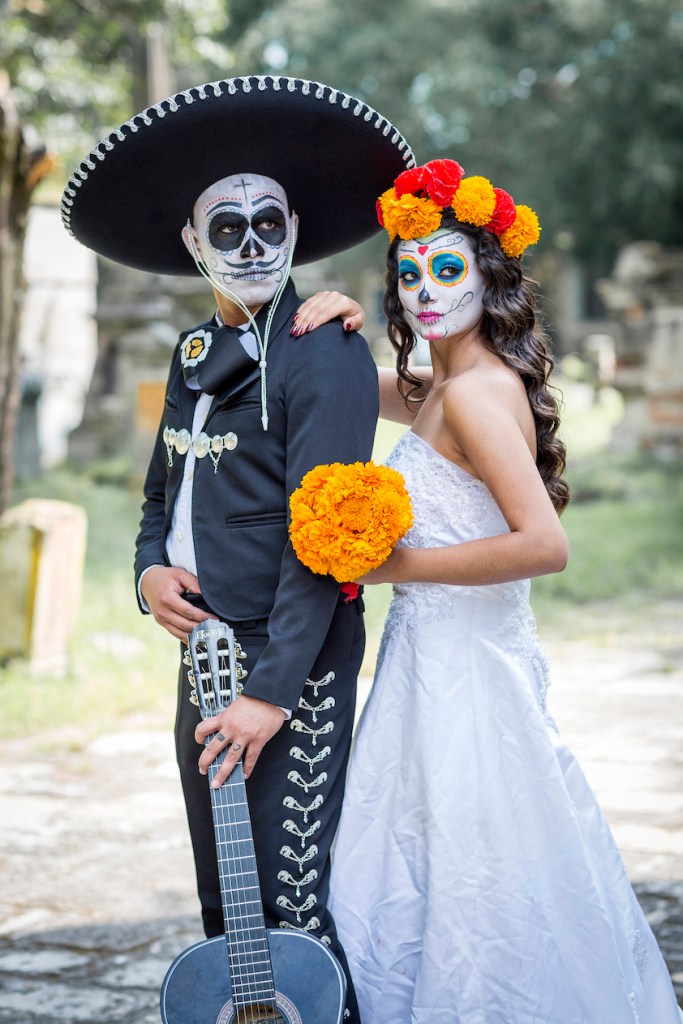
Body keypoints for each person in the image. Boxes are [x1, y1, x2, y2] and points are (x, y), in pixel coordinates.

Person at [60, 75, 416, 1022]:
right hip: (205, 655)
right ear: (192, 243)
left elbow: (325, 543)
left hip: (291, 661)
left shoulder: (323, 349)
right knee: (226, 900)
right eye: (227, 227)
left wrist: (270, 694)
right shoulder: (190, 357)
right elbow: (159, 494)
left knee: (292, 908)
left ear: (294, 228)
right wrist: (147, 571)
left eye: (267, 222)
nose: (252, 244)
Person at [293, 159, 683, 1023]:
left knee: (471, 869)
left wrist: (393, 568)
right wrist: (330, 326)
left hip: (462, 670)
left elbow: (544, 544)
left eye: (446, 269)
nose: (426, 290)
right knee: (443, 859)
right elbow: (353, 387)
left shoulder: (473, 395)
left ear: (488, 277)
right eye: (408, 275)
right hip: (436, 657)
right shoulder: (446, 386)